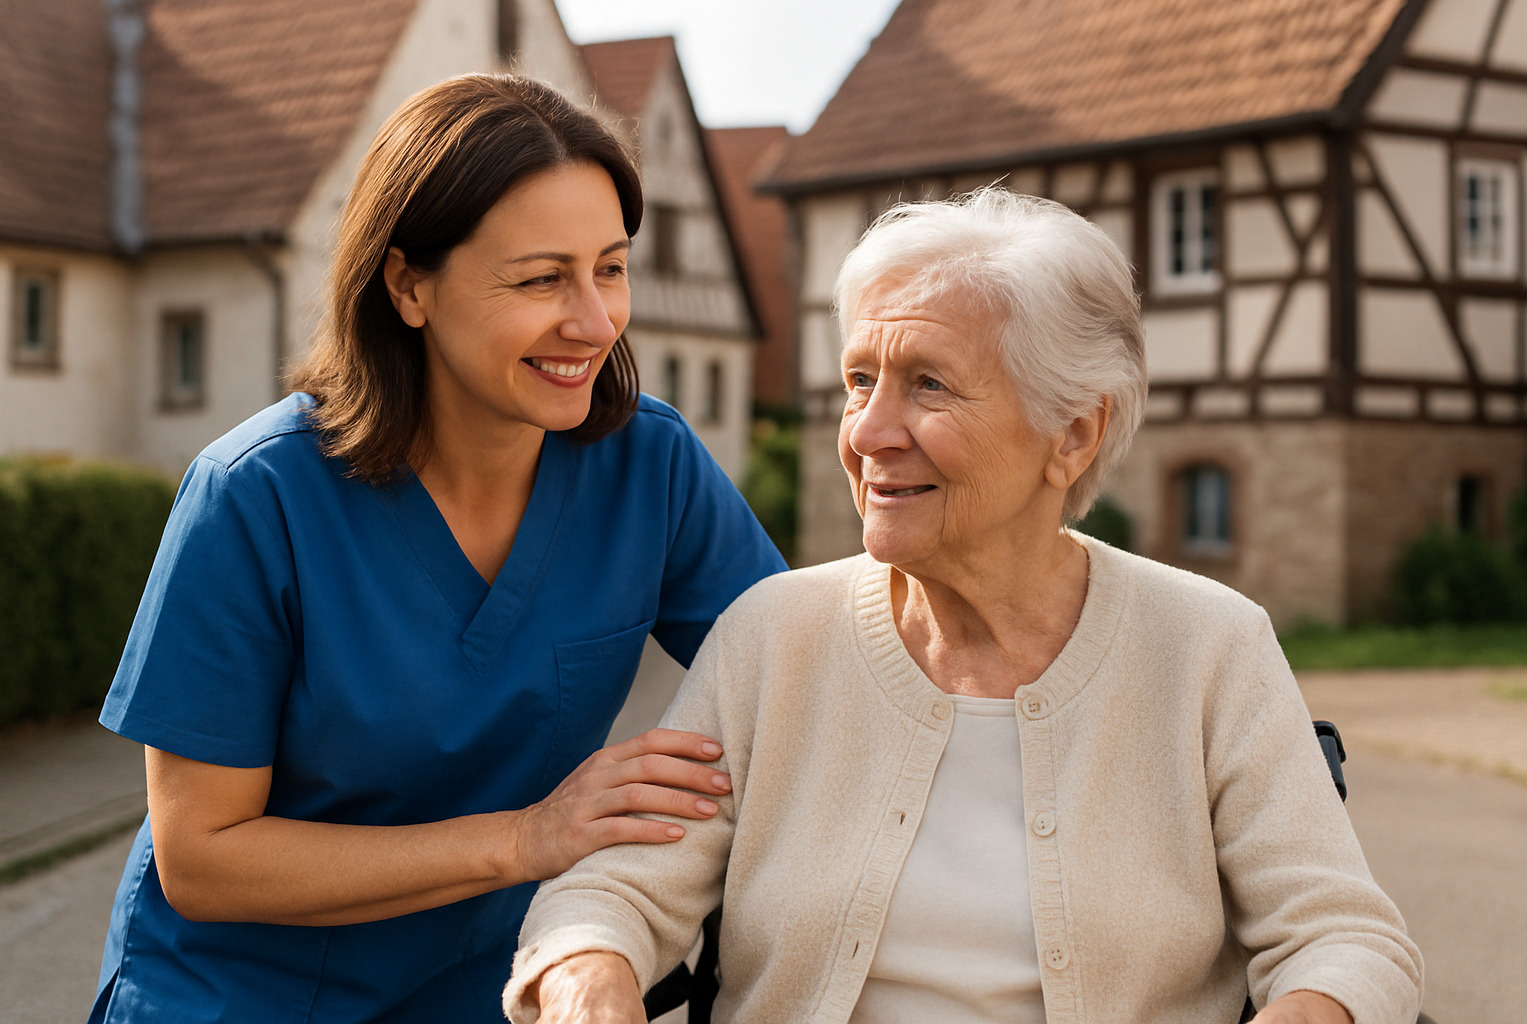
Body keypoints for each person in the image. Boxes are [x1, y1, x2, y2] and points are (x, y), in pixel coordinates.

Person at [506, 189, 1424, 1024]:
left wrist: (1310, 1011)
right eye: (861, 380)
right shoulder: (771, 637)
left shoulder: (1208, 646)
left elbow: (1348, 939)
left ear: (1073, 432)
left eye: (929, 385)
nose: (866, 433)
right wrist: (591, 972)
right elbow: (619, 887)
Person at [90, 72, 786, 1024]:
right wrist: (524, 839)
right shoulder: (253, 496)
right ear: (409, 284)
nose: (593, 322)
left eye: (610, 268)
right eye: (542, 278)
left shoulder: (649, 465)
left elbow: (798, 680)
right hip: (232, 999)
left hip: (480, 995)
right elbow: (204, 859)